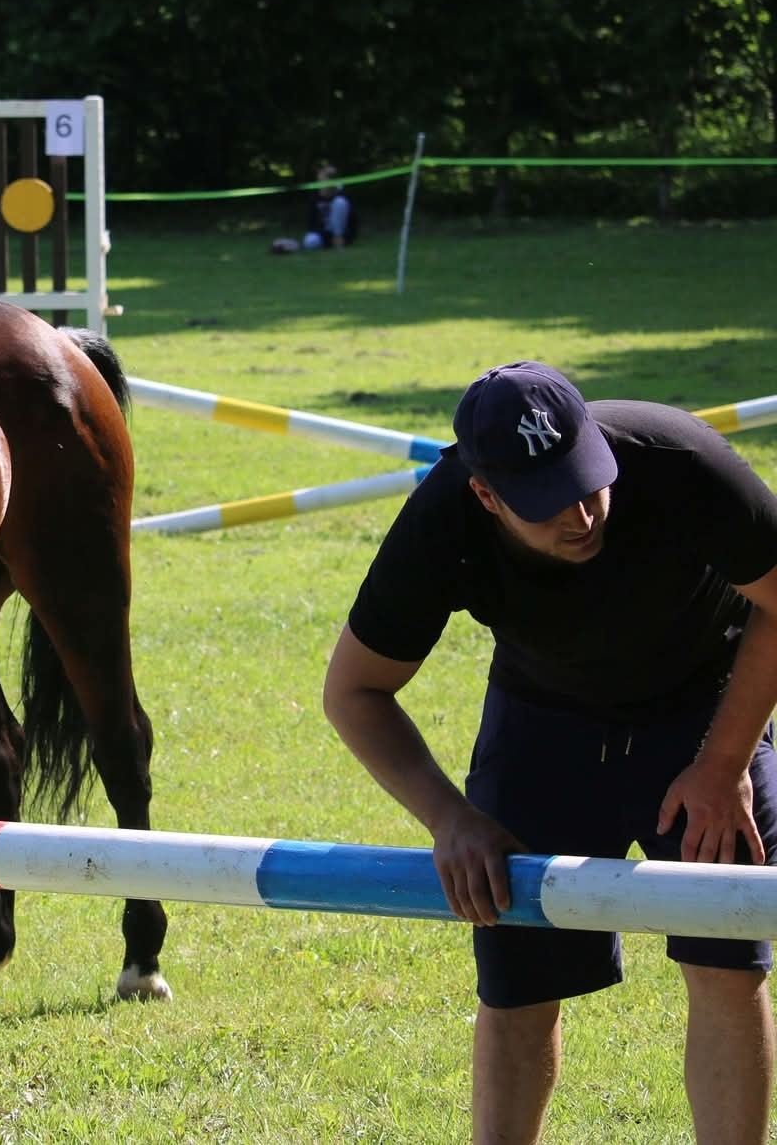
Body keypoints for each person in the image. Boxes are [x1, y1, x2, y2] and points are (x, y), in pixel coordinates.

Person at [323, 360, 777, 1143]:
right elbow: (354, 691)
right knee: (517, 990)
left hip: (706, 711)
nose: (584, 514)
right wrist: (449, 818)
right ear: (487, 496)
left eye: (587, 480)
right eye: (546, 502)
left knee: (726, 962)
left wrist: (724, 761)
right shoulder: (442, 523)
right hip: (545, 723)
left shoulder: (679, 460)